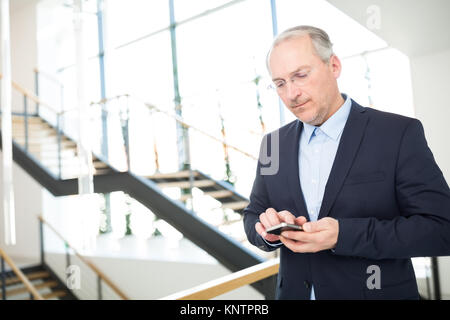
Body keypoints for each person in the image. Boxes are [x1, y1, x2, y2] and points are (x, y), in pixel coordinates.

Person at [243, 25, 450, 300]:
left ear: (334, 65)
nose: (291, 94)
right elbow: (252, 214)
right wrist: (267, 230)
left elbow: (442, 229)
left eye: (300, 76)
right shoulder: (273, 145)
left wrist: (343, 234)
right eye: (280, 83)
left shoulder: (396, 134)